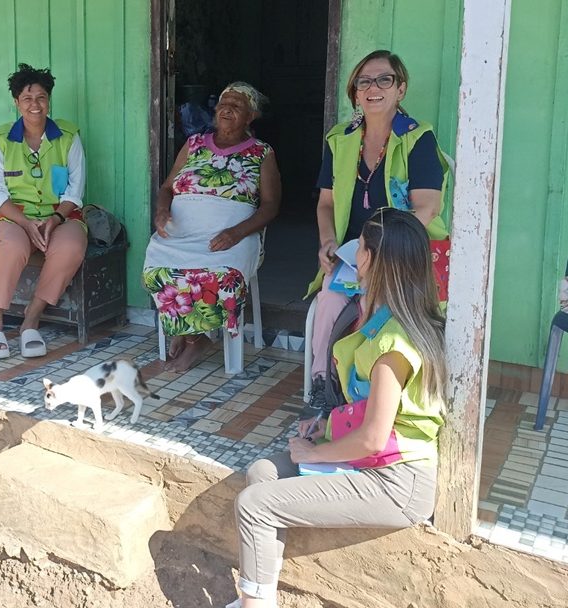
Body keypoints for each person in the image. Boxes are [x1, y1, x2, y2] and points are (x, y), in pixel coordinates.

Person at [231, 208, 446, 608]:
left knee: (255, 504)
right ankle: (263, 593)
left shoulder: (394, 342)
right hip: (376, 463)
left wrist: (317, 453)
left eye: (360, 246)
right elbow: (371, 413)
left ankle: (252, 604)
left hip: (396, 481)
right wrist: (326, 425)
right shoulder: (385, 320)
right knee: (261, 472)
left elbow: (372, 437)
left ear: (371, 260)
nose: (353, 253)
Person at [305, 49, 450, 414]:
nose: (373, 87)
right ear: (355, 93)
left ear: (400, 89)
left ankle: (372, 397)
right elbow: (325, 204)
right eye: (364, 81)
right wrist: (327, 241)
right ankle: (325, 385)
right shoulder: (340, 139)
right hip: (356, 254)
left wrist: (383, 249)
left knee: (378, 306)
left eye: (384, 79)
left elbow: (427, 207)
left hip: (404, 252)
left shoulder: (418, 139)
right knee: (329, 301)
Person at [143, 82, 281, 372]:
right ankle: (195, 335)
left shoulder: (261, 153)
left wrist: (236, 232)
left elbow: (270, 206)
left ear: (250, 117)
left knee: (221, 276)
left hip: (231, 237)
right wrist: (162, 209)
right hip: (183, 234)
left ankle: (194, 336)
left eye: (237, 105)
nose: (227, 108)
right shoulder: (193, 145)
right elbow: (168, 187)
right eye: (223, 103)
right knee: (157, 270)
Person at [0, 64, 87, 359]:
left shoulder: (68, 137)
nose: (35, 105)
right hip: (12, 216)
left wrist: (54, 220)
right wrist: (27, 223)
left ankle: (32, 317)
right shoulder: (1, 140)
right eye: (27, 99)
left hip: (60, 214)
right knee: (13, 245)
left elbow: (75, 190)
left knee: (71, 246)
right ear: (17, 102)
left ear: (49, 100)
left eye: (41, 97)